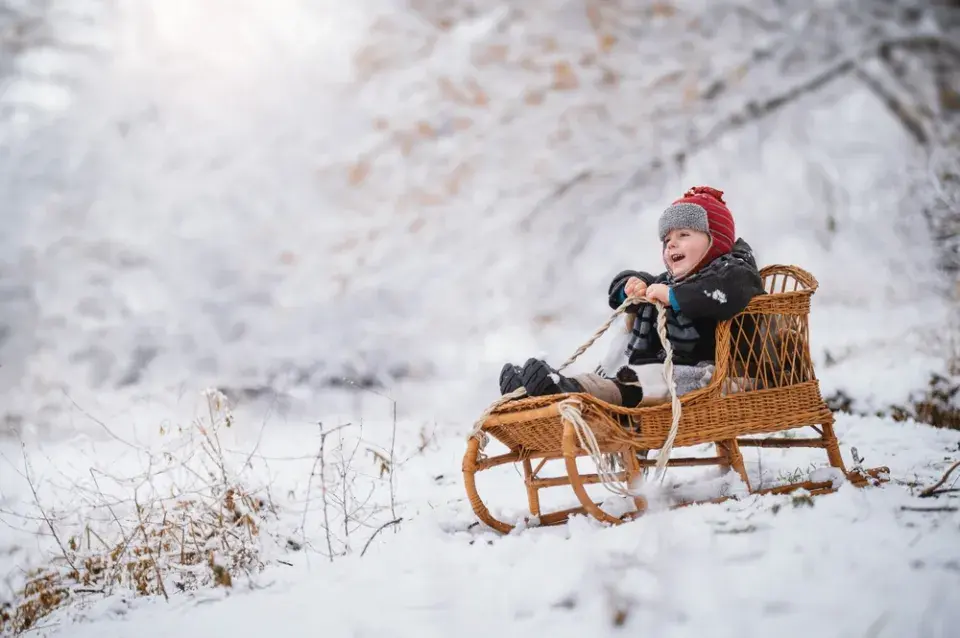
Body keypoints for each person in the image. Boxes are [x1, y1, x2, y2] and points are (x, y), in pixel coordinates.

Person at [499, 186, 766, 407]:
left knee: (635, 382)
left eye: (684, 235)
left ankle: (570, 392)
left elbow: (721, 294)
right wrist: (630, 285)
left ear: (715, 241)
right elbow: (640, 282)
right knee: (626, 375)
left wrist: (673, 296)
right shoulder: (674, 282)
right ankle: (544, 389)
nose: (671, 243)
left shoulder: (734, 273)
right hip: (666, 372)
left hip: (710, 376)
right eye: (667, 239)